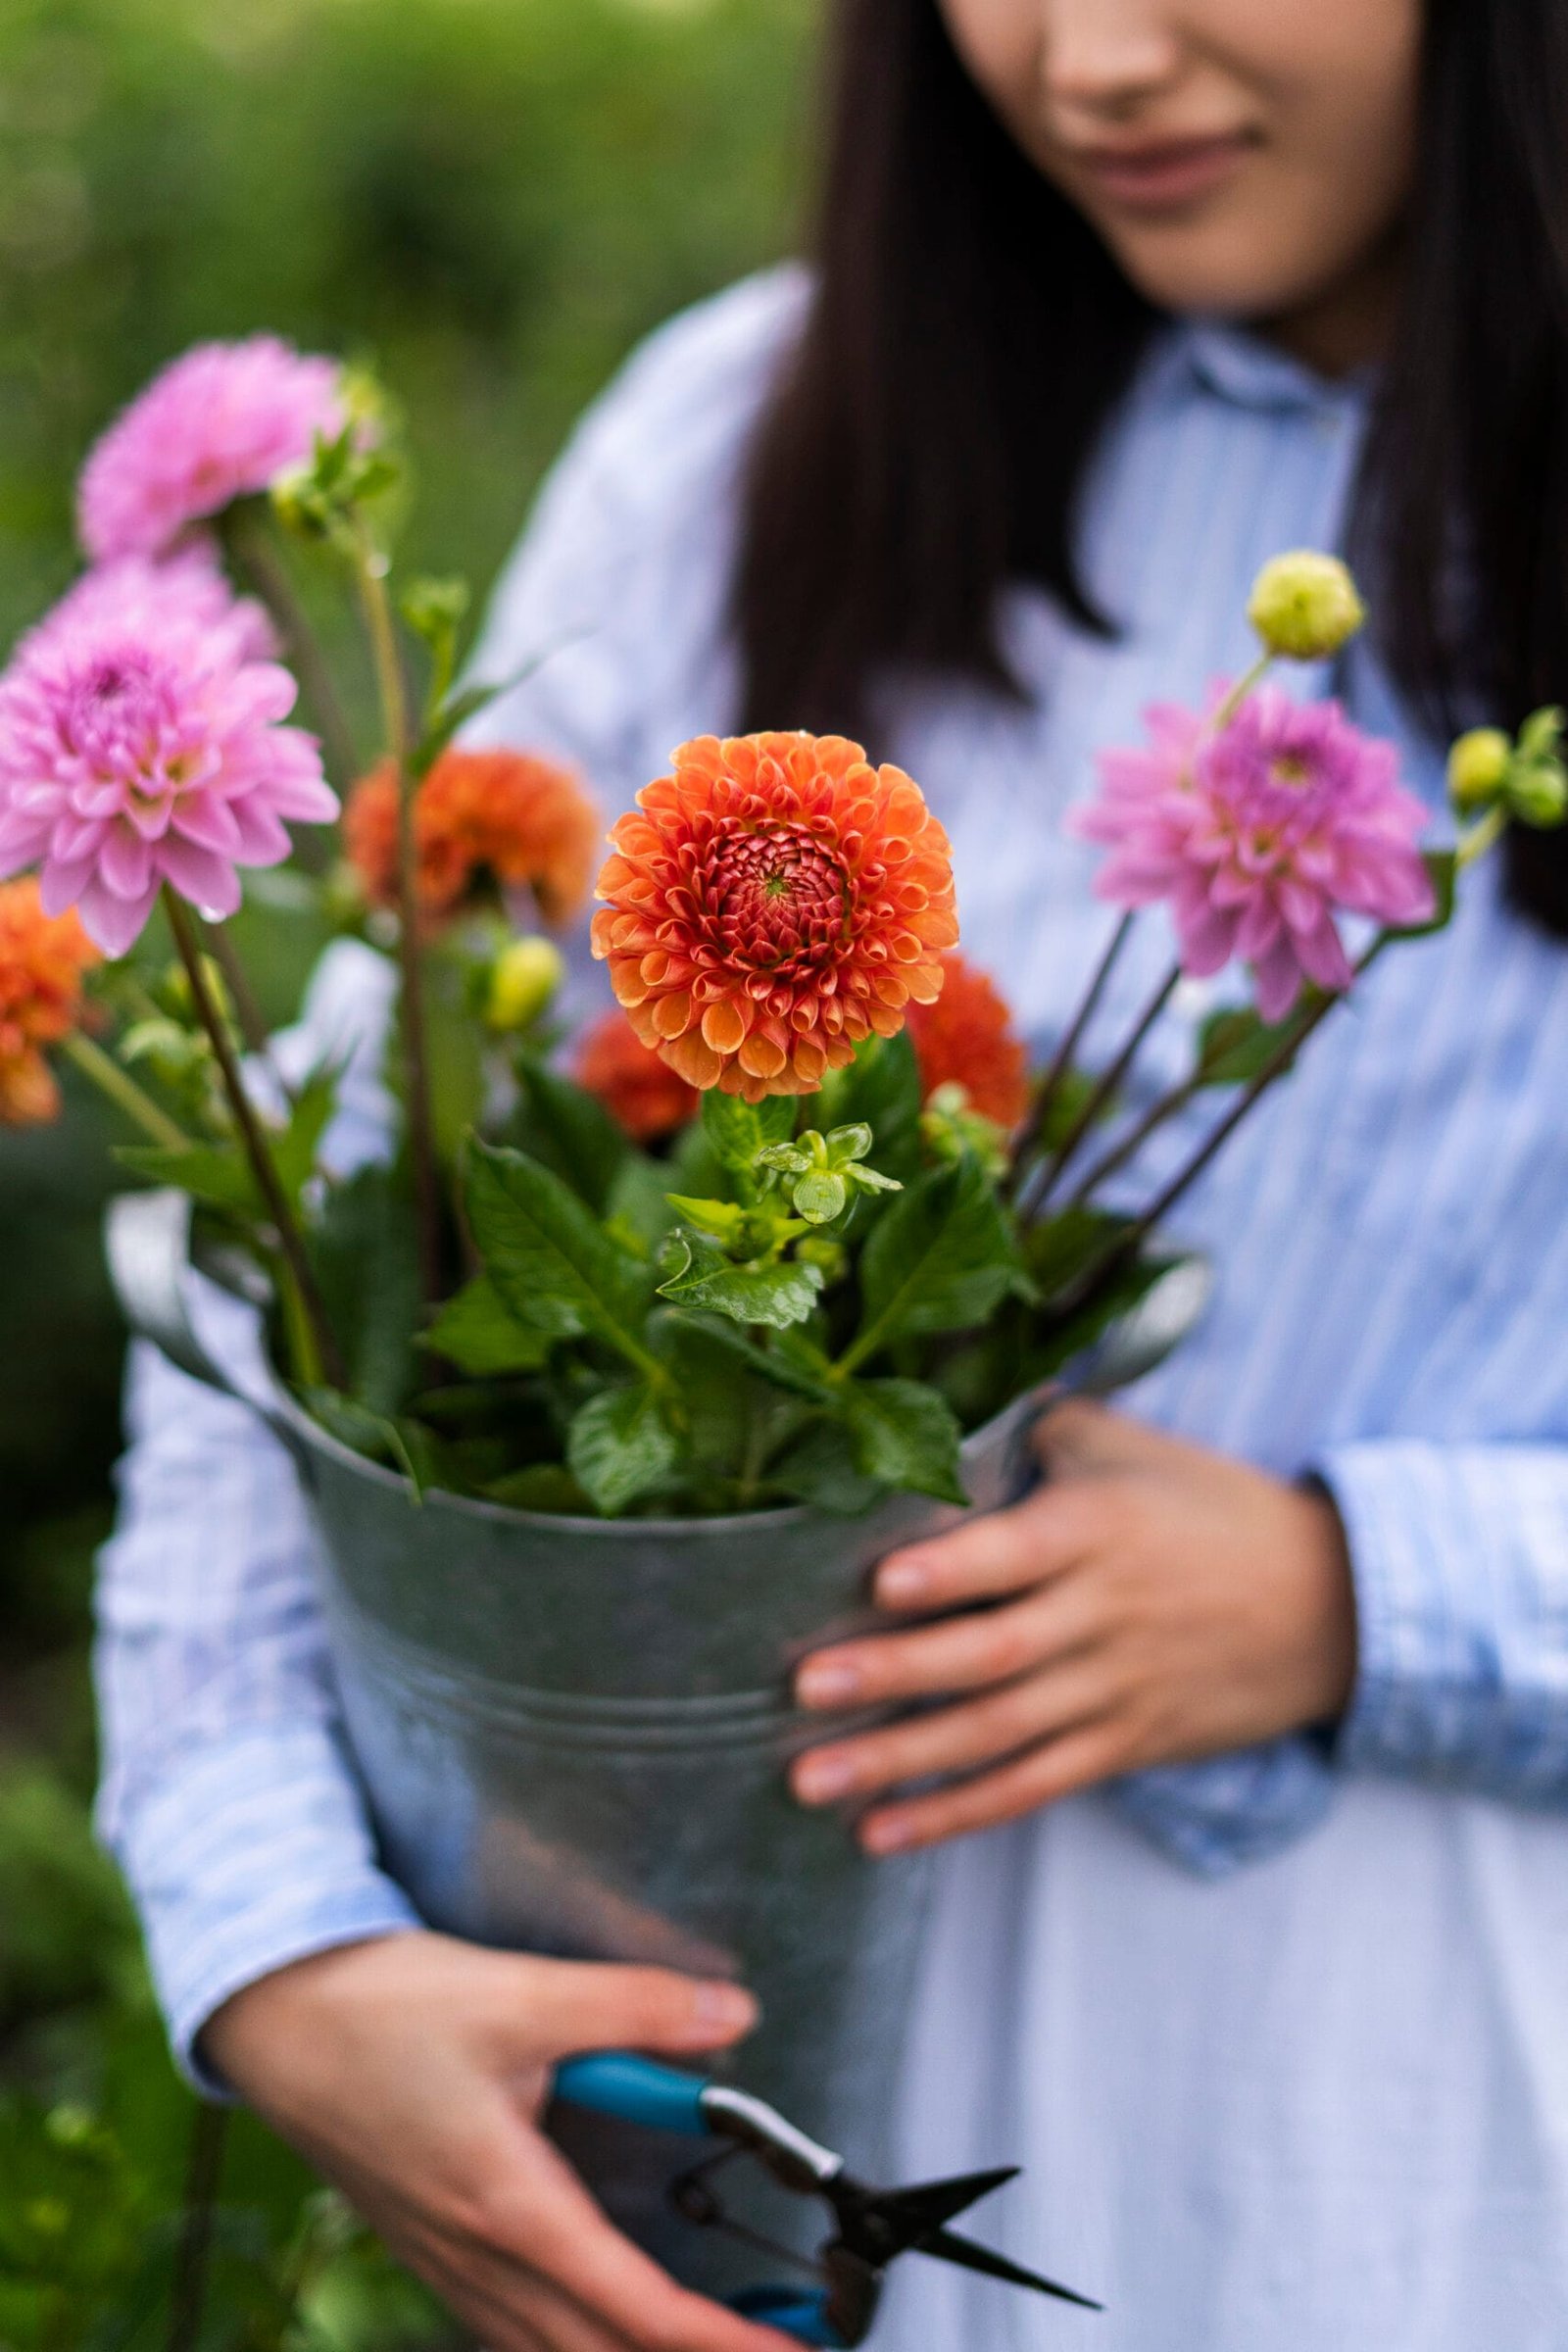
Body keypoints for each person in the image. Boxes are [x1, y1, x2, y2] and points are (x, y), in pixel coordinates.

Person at [96, 2, 1568, 2346]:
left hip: (1402, 2171)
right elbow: (305, 1225)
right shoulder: (735, 445)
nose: (1088, 59)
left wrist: (1363, 1594)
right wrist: (278, 1938)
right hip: (711, 2144)